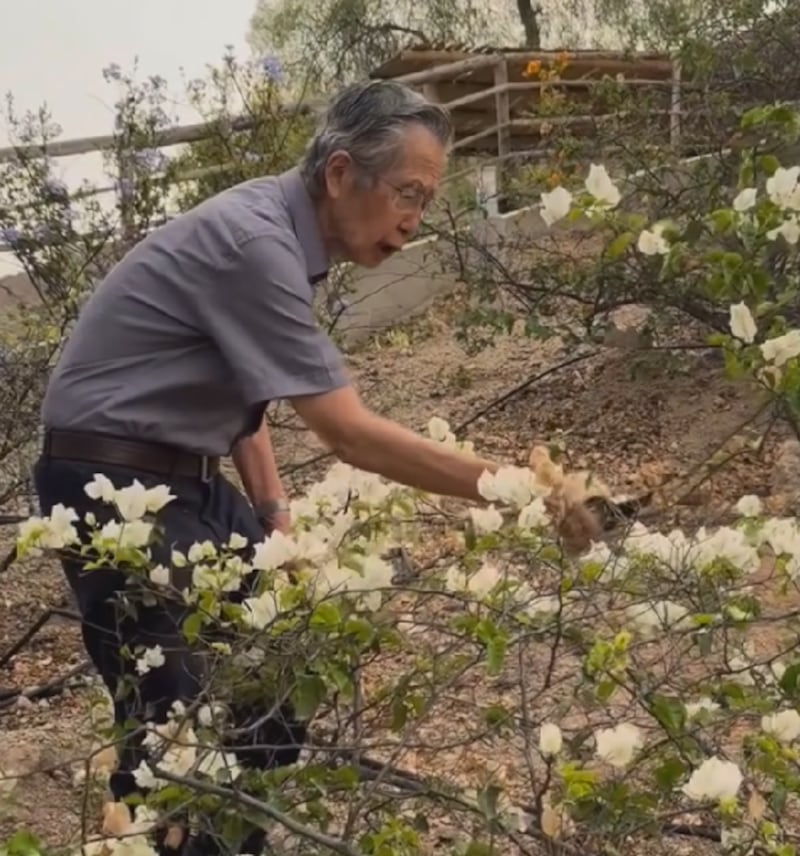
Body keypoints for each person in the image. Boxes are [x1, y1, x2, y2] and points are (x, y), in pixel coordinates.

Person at [33, 79, 601, 855]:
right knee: (176, 724)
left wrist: (276, 522)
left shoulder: (279, 236)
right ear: (341, 174)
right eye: (408, 192)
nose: (414, 218)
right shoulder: (256, 243)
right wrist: (520, 491)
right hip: (111, 483)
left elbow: (245, 398)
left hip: (186, 480)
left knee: (287, 666)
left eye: (427, 201)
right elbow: (348, 433)